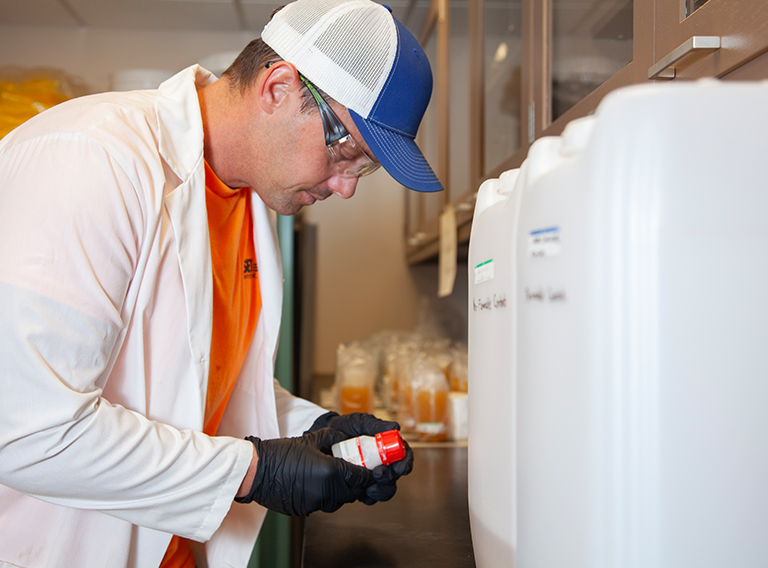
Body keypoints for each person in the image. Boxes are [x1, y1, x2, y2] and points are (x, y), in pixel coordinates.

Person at [0, 0, 442, 566]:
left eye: (364, 168)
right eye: (347, 151)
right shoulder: (90, 160)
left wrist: (320, 432)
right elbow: (27, 430)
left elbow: (200, 383)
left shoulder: (247, 201)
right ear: (278, 88)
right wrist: (258, 471)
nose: (348, 187)